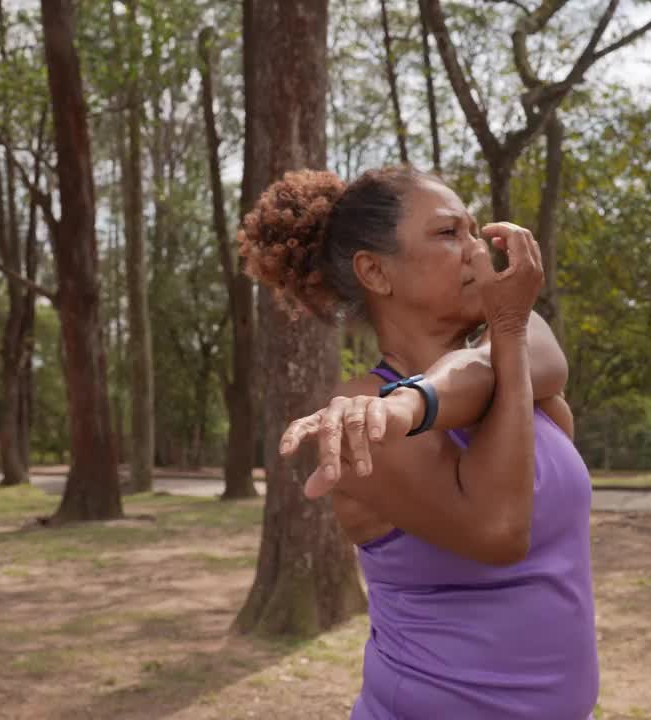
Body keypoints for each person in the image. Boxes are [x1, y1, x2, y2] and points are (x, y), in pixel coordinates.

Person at [237, 166, 599, 719]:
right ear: (376, 273)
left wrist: (415, 402)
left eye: (475, 232)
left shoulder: (516, 350)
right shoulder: (360, 420)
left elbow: (504, 360)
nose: (477, 251)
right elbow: (499, 532)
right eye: (448, 233)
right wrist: (409, 400)